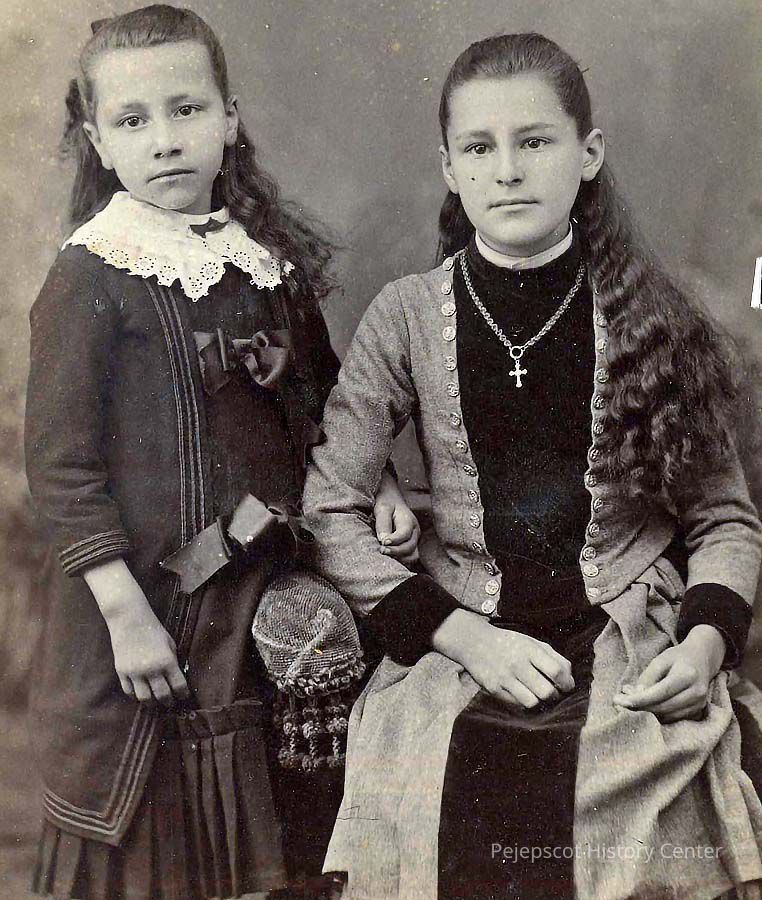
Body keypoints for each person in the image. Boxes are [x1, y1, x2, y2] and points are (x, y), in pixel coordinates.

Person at [303, 32, 762, 900]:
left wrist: (706, 644)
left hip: (625, 628)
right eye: (480, 148)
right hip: (462, 628)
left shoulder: (649, 310)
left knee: (623, 807)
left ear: (588, 155)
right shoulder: (406, 316)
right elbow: (330, 509)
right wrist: (460, 635)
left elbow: (723, 519)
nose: (508, 171)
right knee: (435, 794)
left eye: (536, 141)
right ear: (450, 168)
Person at [24, 6, 419, 899]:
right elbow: (60, 469)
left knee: (282, 822)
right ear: (99, 141)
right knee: (161, 851)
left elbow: (325, 399)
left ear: (229, 120)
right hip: (146, 603)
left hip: (260, 594)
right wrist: (122, 611)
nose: (165, 139)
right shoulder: (90, 275)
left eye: (187, 110)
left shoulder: (265, 264)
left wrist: (383, 482)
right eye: (133, 121)